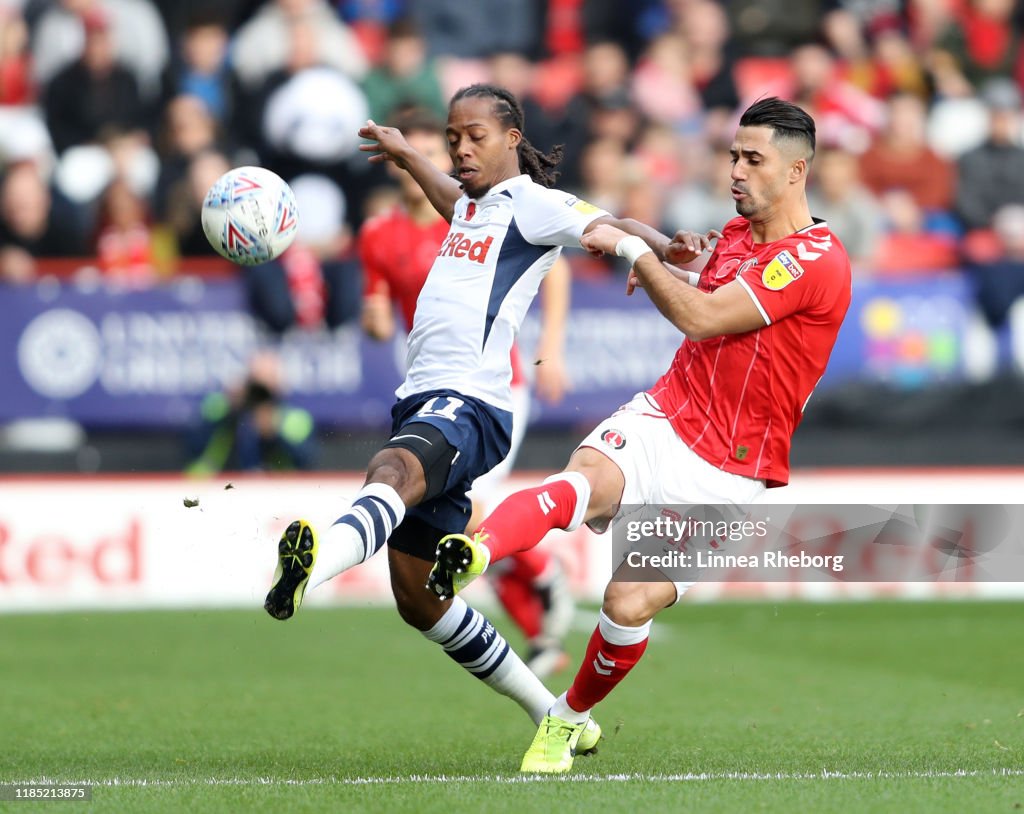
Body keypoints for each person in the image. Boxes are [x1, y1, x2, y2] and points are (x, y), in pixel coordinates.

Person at [429, 97, 853, 773]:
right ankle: (473, 554)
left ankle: (565, 720)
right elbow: (700, 288)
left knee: (627, 601)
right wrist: (670, 267)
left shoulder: (815, 259)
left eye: (753, 159)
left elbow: (707, 318)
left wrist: (636, 252)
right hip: (665, 413)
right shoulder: (736, 237)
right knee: (581, 484)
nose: (736, 171)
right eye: (732, 156)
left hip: (730, 470)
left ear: (797, 171)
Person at [263, 83, 676, 750]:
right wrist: (405, 155)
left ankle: (317, 564)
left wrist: (662, 246)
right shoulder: (475, 206)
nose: (459, 148)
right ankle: (556, 715)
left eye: (473, 136)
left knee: (393, 468)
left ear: (512, 138)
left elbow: (609, 225)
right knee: (419, 598)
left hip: (474, 402)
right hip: (426, 394)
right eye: (453, 137)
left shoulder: (536, 205)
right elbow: (451, 201)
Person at [358, 108, 575, 678]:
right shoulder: (380, 233)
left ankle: (542, 584)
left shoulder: (473, 211)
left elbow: (554, 262)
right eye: (441, 145)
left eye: (453, 144)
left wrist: (552, 344)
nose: (452, 158)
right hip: (428, 380)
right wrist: (375, 318)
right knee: (453, 523)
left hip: (490, 387)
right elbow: (376, 303)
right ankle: (536, 612)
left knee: (468, 511)